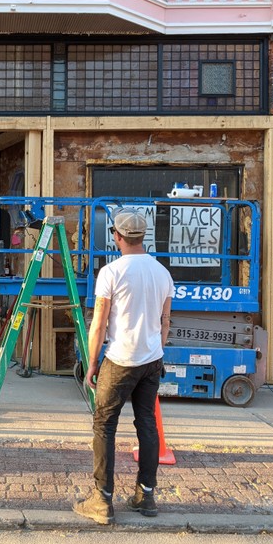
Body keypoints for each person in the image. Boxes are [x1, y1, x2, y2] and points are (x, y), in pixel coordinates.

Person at [73, 208, 174, 525]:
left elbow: (99, 324)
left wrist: (91, 363)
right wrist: (156, 348)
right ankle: (147, 494)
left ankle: (102, 500)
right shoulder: (162, 273)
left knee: (104, 424)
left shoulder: (111, 272)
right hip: (151, 358)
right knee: (146, 423)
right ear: (143, 237)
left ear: (116, 236)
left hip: (120, 359)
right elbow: (165, 322)